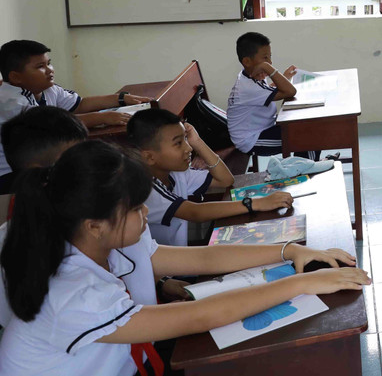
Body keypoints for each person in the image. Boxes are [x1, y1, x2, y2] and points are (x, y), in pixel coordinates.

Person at [0, 140, 369, 375]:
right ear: (95, 224)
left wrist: (291, 251)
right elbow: (199, 316)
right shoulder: (72, 292)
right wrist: (301, 282)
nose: (147, 215)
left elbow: (201, 261)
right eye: (138, 208)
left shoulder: (98, 239)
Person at [128, 108, 293, 246]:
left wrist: (198, 142)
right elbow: (195, 212)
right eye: (178, 143)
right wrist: (257, 203)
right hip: (166, 275)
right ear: (149, 157)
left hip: (180, 263)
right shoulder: (146, 189)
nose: (188, 148)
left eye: (186, 139)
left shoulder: (176, 172)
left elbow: (225, 180)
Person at [0, 40, 148, 191]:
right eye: (40, 67)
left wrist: (119, 99)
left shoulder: (47, 89)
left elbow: (79, 104)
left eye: (49, 63)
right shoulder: (10, 101)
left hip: (40, 162)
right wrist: (102, 117)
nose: (49, 70)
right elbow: (50, 127)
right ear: (16, 77)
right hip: (10, 175)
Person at [0, 107, 90, 327]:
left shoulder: (85, 214)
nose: (89, 166)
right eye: (76, 161)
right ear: (41, 172)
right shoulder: (14, 242)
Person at [227, 32, 304, 159]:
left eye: (269, 57)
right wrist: (267, 68)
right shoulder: (247, 87)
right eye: (265, 58)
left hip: (265, 128)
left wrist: (284, 77)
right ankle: (308, 169)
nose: (270, 62)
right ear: (247, 61)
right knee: (306, 137)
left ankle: (306, 166)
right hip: (252, 140)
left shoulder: (249, 77)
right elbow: (290, 92)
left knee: (306, 128)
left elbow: (268, 90)